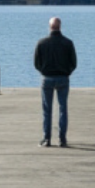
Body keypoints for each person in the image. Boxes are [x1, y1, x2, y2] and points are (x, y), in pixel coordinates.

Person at [34, 16, 77, 147]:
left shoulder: (41, 43)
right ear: (60, 27)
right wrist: (67, 72)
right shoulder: (68, 43)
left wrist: (43, 71)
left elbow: (36, 63)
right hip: (63, 79)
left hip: (47, 79)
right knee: (63, 108)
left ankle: (47, 139)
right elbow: (73, 63)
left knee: (47, 110)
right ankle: (62, 139)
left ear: (50, 27)